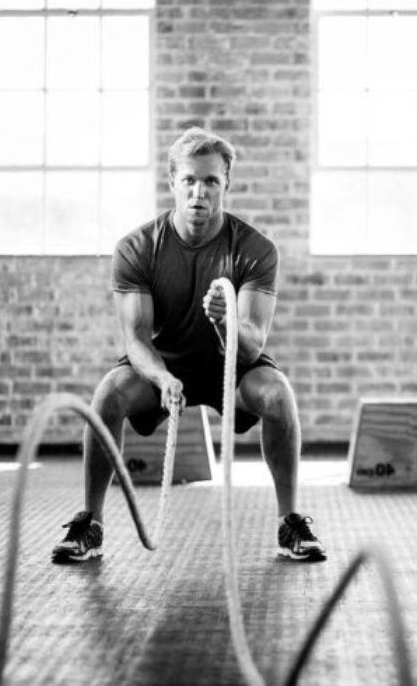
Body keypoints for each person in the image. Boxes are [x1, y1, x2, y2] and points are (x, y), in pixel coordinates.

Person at [52, 127, 326, 564]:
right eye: (190, 181)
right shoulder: (137, 248)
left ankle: (290, 520)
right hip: (166, 365)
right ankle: (90, 521)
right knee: (108, 392)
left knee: (278, 395)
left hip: (231, 367)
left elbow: (252, 347)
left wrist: (225, 320)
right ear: (173, 183)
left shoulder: (256, 250)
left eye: (212, 181)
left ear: (226, 185)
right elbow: (136, 338)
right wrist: (160, 377)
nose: (200, 192)